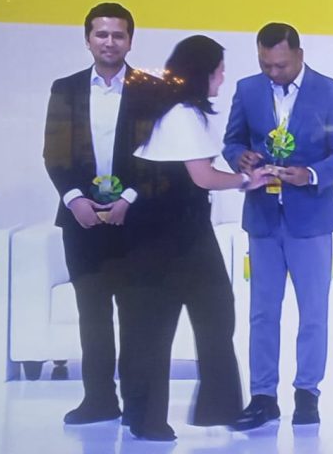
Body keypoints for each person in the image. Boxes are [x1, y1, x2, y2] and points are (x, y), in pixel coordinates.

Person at [126, 35, 271, 441]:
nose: (222, 78)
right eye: (219, 71)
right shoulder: (184, 115)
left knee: (160, 321)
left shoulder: (166, 111)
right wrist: (248, 180)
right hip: (179, 231)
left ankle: (148, 416)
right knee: (211, 314)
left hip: (161, 229)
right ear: (202, 72)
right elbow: (203, 177)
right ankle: (210, 408)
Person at [223, 22, 333, 430]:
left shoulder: (331, 92)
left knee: (313, 312)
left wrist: (311, 175)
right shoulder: (248, 90)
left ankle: (307, 394)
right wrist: (240, 158)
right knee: (262, 313)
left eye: (280, 65)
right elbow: (232, 142)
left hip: (312, 219)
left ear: (299, 55)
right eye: (265, 64)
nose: (273, 72)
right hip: (262, 219)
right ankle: (263, 397)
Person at [43, 2, 161, 425]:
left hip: (135, 220)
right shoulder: (66, 88)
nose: (109, 42)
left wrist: (129, 198)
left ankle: (138, 402)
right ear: (88, 39)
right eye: (101, 34)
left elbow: (159, 154)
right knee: (92, 313)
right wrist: (75, 199)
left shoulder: (151, 90)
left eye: (118, 35)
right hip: (82, 221)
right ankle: (98, 400)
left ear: (130, 40)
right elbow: (53, 151)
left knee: (135, 313)